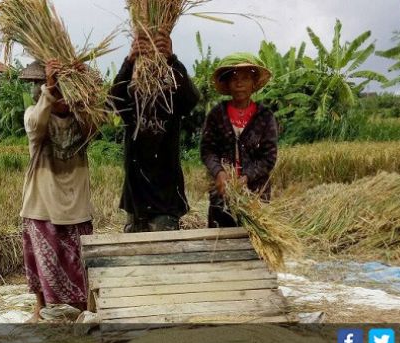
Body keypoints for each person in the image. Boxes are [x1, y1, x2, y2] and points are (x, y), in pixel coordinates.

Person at [20, 59, 94, 322]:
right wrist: (50, 88)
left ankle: (85, 310)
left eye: (66, 89)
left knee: (80, 269)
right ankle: (40, 308)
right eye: (55, 90)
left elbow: (97, 122)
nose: (60, 96)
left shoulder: (81, 120)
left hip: (76, 206)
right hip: (42, 204)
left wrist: (88, 89)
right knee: (42, 269)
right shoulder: (34, 113)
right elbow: (36, 126)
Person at [110, 31, 200, 233]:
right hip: (136, 196)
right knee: (135, 260)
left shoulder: (172, 99)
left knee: (164, 257)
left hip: (166, 196)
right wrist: (129, 60)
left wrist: (171, 59)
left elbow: (192, 98)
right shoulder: (130, 103)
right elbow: (113, 98)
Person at [200, 53, 278, 228]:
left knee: (254, 244)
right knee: (221, 244)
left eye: (245, 78)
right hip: (222, 195)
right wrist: (219, 172)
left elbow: (269, 158)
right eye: (234, 78)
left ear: (253, 84)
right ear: (227, 84)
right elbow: (207, 150)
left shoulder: (265, 117)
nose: (239, 83)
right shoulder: (216, 114)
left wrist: (246, 178)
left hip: (255, 196)